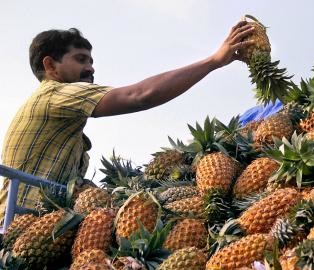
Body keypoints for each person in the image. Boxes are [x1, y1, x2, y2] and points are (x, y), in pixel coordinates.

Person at [0, 22, 255, 219]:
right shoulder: (57, 94)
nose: (91, 69)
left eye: (91, 61)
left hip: (32, 217)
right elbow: (139, 96)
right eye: (80, 59)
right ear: (51, 66)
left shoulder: (52, 107)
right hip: (22, 220)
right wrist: (214, 61)